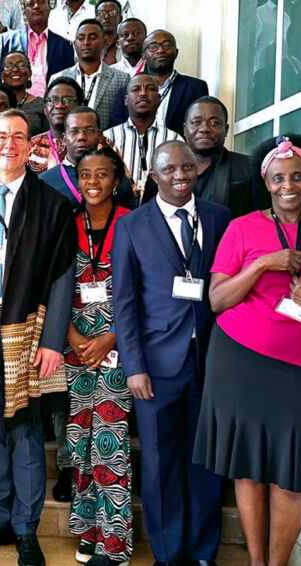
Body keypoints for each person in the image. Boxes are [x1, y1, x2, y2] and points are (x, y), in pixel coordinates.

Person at [195, 134, 301, 566]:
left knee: (293, 475)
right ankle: (257, 562)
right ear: (266, 181)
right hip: (240, 362)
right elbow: (218, 299)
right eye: (279, 177)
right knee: (248, 468)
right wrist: (264, 263)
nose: (288, 185)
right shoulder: (240, 228)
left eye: (298, 176)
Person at [0, 108, 76, 566]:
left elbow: (64, 276)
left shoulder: (52, 204)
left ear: (31, 146)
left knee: (25, 428)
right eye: (0, 136)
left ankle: (26, 528)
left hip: (29, 329)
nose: (8, 145)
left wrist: (52, 342)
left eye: (18, 137)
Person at [112, 141, 229, 566]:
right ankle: (168, 553)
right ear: (154, 176)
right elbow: (123, 302)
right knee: (161, 464)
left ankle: (202, 552)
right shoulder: (132, 226)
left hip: (212, 362)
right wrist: (134, 367)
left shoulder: (219, 217)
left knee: (206, 462)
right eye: (169, 169)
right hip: (157, 366)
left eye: (187, 166)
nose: (180, 174)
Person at [63, 146, 134, 566]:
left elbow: (146, 292)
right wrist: (69, 335)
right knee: (80, 444)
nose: (94, 182)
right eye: (86, 174)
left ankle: (115, 543)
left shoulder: (133, 223)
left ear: (116, 178)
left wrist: (114, 337)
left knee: (110, 444)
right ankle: (88, 530)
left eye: (103, 174)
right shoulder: (67, 223)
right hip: (76, 348)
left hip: (118, 348)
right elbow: (54, 286)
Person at [157, 96, 269, 217]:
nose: (204, 129)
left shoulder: (249, 168)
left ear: (226, 129)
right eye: (196, 123)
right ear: (185, 129)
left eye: (214, 123)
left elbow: (262, 218)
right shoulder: (164, 171)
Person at [110, 30, 209, 134]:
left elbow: (199, 127)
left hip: (179, 148)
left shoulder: (195, 87)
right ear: (143, 56)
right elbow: (117, 130)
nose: (160, 50)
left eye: (167, 45)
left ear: (176, 52)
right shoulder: (127, 90)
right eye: (153, 47)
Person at [40, 107, 136, 210]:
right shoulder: (44, 182)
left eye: (89, 130)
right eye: (74, 131)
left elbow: (131, 220)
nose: (81, 136)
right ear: (64, 139)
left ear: (100, 136)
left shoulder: (117, 178)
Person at [102, 72, 184, 193]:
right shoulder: (108, 138)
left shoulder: (174, 140)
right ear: (126, 100)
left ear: (159, 99)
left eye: (150, 89)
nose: (143, 93)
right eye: (136, 89)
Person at [50, 19, 130, 131]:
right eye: (81, 38)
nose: (86, 42)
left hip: (106, 144)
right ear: (74, 43)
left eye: (92, 38)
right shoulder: (58, 78)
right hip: (67, 143)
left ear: (105, 42)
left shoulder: (121, 78)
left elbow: (123, 119)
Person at [0, 0, 74, 101]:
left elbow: (69, 83)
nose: (36, 6)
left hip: (50, 108)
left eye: (41, 1)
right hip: (14, 105)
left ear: (49, 7)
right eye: (31, 4)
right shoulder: (7, 40)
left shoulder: (65, 45)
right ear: (25, 11)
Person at [29, 77, 83, 173]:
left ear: (80, 107)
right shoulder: (30, 146)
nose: (59, 105)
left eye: (68, 100)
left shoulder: (97, 143)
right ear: (45, 109)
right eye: (52, 100)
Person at [0, 51, 49, 137]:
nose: (15, 69)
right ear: (2, 75)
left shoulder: (42, 105)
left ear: (29, 73)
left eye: (21, 65)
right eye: (8, 66)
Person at [95, 0, 123, 65]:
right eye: (101, 13)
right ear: (96, 19)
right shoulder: (87, 44)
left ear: (120, 18)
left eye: (112, 12)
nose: (107, 16)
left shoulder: (126, 45)